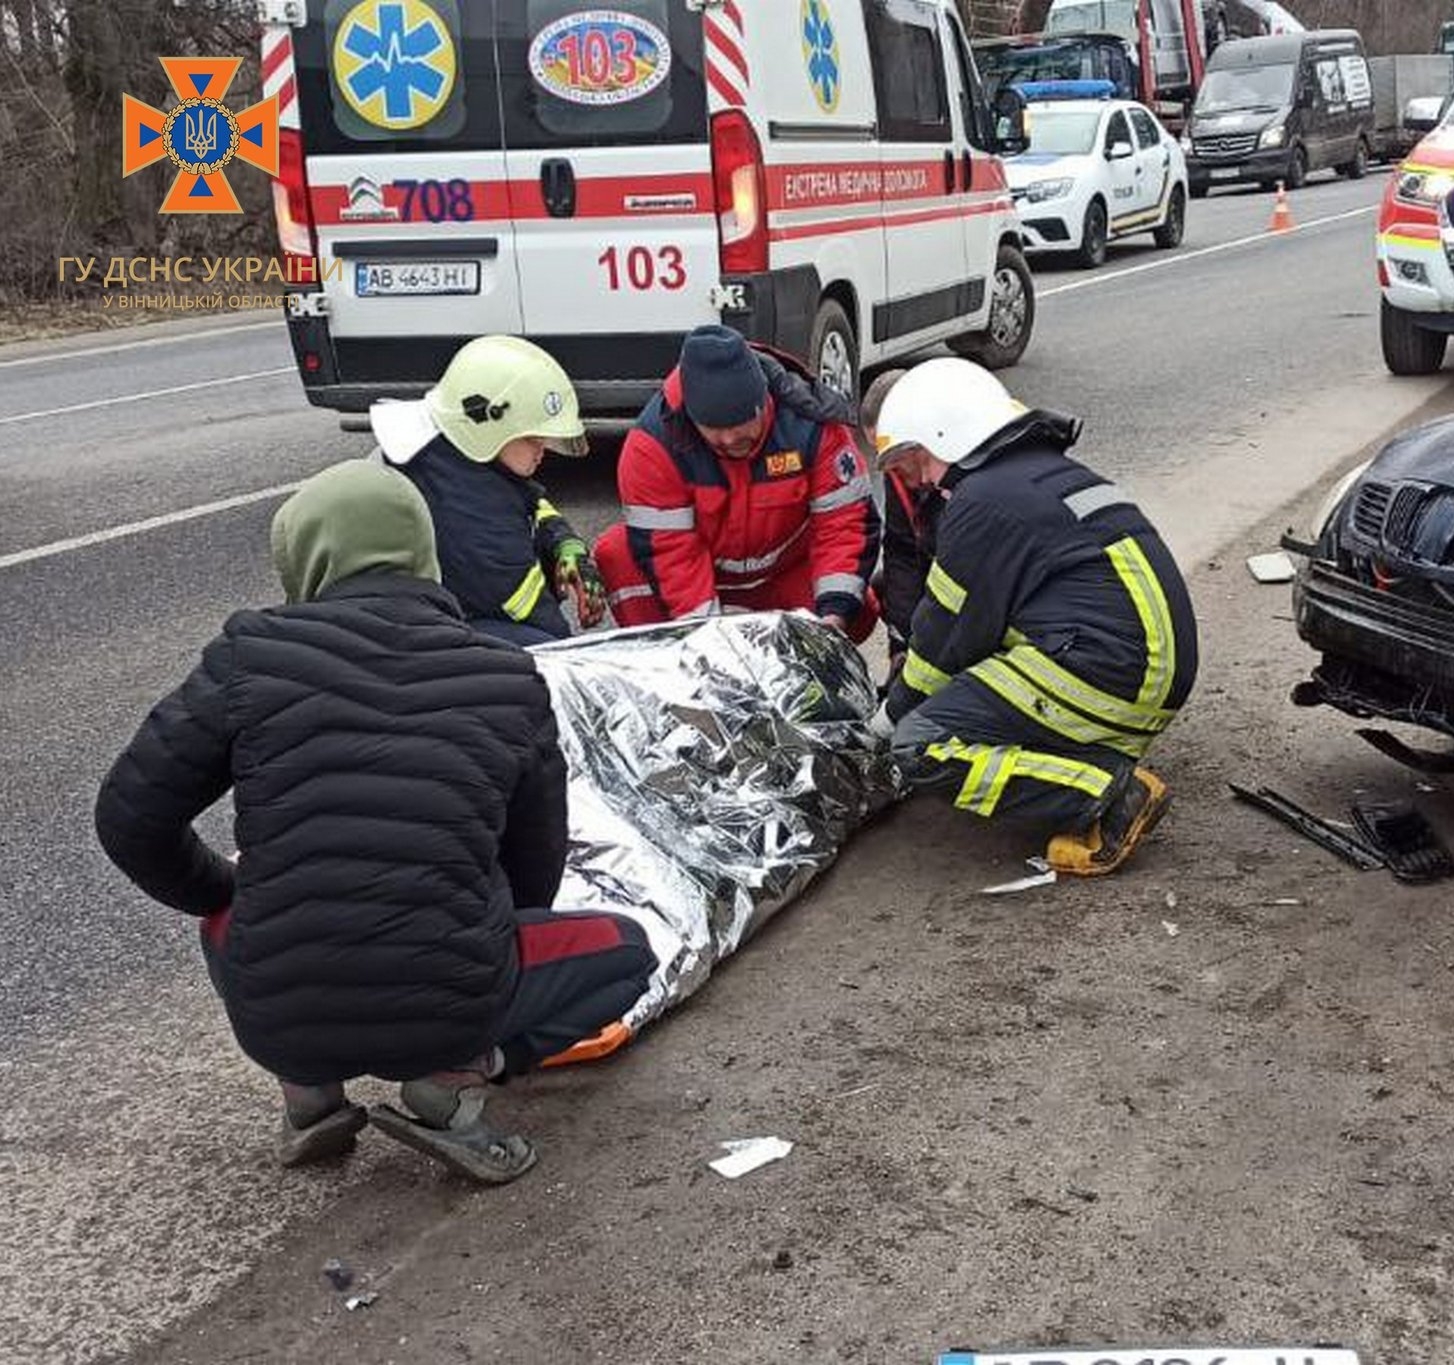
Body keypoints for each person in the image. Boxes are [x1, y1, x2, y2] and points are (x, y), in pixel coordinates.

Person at [93, 461, 655, 1185]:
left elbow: (128, 817)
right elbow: (537, 856)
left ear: (303, 557)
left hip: (279, 1011)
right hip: (452, 1004)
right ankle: (454, 1080)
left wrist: (223, 887)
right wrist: (473, 942)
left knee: (228, 913)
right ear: (425, 553)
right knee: (628, 950)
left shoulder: (251, 655)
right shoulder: (506, 677)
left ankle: (308, 1094)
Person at [873, 358, 1199, 876]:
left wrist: (888, 719)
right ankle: (1090, 761)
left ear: (944, 437)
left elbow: (941, 642)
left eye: (918, 461)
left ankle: (1108, 794)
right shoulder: (1037, 473)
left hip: (1112, 671)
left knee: (920, 745)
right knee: (969, 688)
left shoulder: (979, 503)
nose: (921, 480)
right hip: (1147, 664)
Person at [593, 326, 880, 637]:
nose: (729, 438)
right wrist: (711, 642)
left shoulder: (811, 426)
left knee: (858, 607)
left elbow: (843, 524)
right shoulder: (653, 447)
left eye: (740, 425)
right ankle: (662, 663)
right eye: (714, 429)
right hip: (708, 581)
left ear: (765, 402)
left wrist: (833, 617)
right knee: (616, 552)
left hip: (784, 574)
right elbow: (670, 554)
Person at [373, 334, 605, 647]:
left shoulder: (457, 451)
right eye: (533, 439)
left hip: (410, 613)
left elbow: (530, 502)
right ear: (487, 422)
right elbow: (528, 612)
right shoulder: (467, 506)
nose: (542, 451)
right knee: (534, 652)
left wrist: (565, 543)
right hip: (412, 635)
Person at [862, 368, 942, 688]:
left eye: (894, 456)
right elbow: (900, 551)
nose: (889, 468)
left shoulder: (960, 473)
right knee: (884, 587)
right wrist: (901, 648)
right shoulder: (899, 470)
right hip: (933, 570)